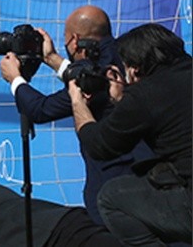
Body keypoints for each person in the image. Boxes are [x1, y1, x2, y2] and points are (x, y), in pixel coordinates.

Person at [0, 4, 151, 224]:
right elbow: (84, 75)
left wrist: (15, 79)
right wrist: (52, 58)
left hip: (116, 182)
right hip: (150, 177)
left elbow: (40, 110)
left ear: (75, 40)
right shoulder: (125, 55)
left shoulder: (101, 71)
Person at [68, 23, 192, 245]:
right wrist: (122, 101)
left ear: (134, 69)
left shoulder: (145, 95)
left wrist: (78, 103)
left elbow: (99, 145)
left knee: (111, 198)